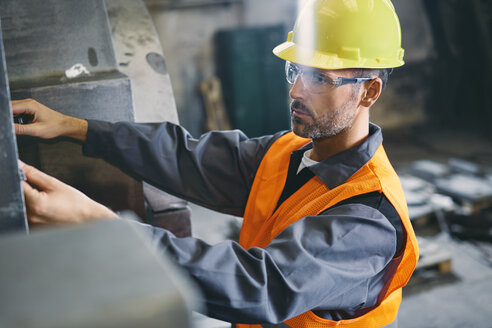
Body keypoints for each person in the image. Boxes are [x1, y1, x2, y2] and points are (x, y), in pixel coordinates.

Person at [13, 0, 418, 327]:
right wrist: (76, 127)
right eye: (296, 70)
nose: (296, 90)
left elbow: (257, 285)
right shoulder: (288, 151)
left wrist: (102, 228)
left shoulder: (369, 218)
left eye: (320, 78)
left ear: (369, 91)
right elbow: (187, 157)